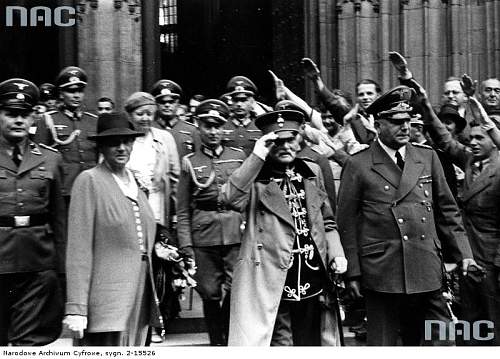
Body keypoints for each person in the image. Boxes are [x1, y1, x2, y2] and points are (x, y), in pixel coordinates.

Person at [337, 85, 477, 346]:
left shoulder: (427, 157)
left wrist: (465, 254)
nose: (405, 127)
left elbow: (448, 211)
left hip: (425, 264)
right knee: (384, 343)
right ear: (378, 125)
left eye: (408, 121)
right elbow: (346, 223)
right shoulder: (359, 164)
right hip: (381, 271)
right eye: (396, 122)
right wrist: (353, 274)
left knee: (442, 339)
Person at [222, 109, 347, 346]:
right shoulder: (255, 178)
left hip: (312, 275)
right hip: (271, 279)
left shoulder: (312, 171)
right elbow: (228, 198)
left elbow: (327, 221)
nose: (285, 146)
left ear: (299, 139)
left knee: (312, 340)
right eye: (276, 141)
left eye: (290, 139)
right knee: (280, 342)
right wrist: (257, 155)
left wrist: (337, 252)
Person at [63, 113, 163, 346]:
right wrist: (76, 307)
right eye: (113, 142)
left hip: (140, 291)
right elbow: (78, 249)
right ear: (101, 147)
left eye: (126, 141)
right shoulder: (89, 181)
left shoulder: (136, 182)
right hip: (106, 296)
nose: (121, 148)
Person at [420, 76, 500, 345]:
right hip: (467, 255)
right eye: (472, 137)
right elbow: (443, 136)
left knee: (493, 319)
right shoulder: (469, 160)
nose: (473, 142)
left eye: (480, 137)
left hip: (491, 259)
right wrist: (424, 104)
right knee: (470, 319)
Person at [0, 79, 66, 345]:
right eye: (11, 114)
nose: (19, 120)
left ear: (33, 117)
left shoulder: (50, 158)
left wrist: (61, 269)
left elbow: (59, 219)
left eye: (25, 115)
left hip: (38, 261)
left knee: (27, 341)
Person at [176, 99, 246, 345]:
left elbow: (247, 196)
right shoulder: (190, 162)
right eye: (208, 126)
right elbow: (183, 209)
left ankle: (229, 337)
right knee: (209, 292)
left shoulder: (238, 157)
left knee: (236, 287)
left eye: (218, 126)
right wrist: (186, 245)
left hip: (235, 230)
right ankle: (216, 341)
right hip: (203, 233)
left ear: (224, 127)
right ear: (199, 127)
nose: (213, 131)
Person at [33, 66, 98, 204]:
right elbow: (38, 158)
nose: (76, 95)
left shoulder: (93, 120)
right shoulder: (48, 119)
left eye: (80, 91)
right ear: (61, 94)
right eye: (71, 91)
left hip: (93, 188)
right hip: (64, 191)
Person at [125, 92, 179, 231]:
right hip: (129, 206)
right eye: (140, 114)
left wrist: (176, 214)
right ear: (130, 115)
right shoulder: (122, 139)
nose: (145, 118)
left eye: (149, 114)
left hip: (158, 205)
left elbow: (176, 180)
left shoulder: (165, 138)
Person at [151, 79, 197, 159]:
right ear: (156, 104)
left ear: (178, 103)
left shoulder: (192, 130)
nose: (167, 105)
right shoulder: (150, 129)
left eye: (171, 102)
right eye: (162, 102)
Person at [222, 76, 263, 155]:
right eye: (235, 100)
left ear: (252, 102)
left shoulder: (260, 124)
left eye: (243, 100)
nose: (239, 104)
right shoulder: (222, 125)